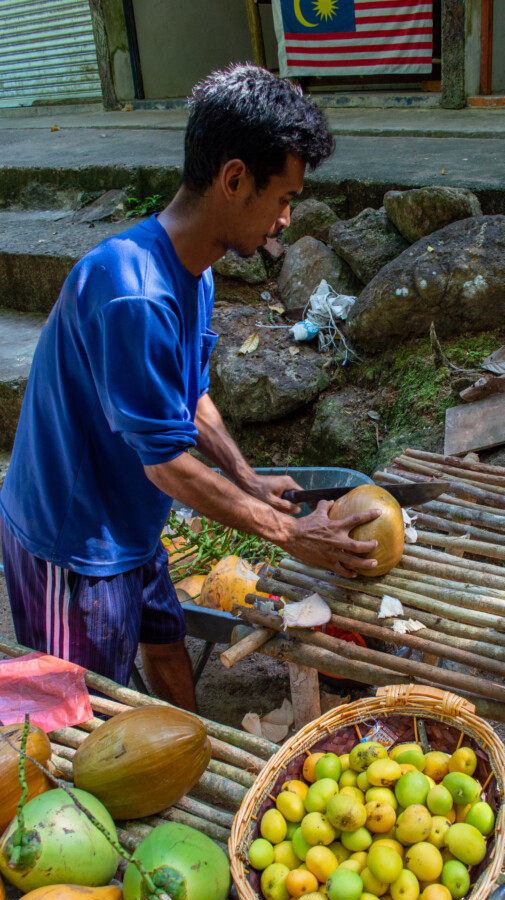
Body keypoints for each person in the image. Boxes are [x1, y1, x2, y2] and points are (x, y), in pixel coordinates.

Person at [0, 65, 380, 713]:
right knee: (80, 711)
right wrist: (286, 532)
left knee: (165, 640)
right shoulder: (133, 292)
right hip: (75, 542)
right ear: (234, 180)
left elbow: (190, 397)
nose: (287, 218)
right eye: (282, 197)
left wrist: (248, 479)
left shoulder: (194, 271)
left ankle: (192, 735)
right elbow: (169, 466)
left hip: (131, 519)